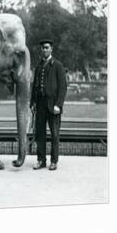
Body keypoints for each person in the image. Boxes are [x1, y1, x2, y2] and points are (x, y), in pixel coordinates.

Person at [30, 39, 68, 171]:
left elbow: (63, 87)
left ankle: (54, 161)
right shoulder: (39, 66)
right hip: (40, 105)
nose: (44, 50)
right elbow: (34, 86)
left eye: (46, 48)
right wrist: (33, 103)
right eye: (42, 48)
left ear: (51, 49)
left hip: (53, 106)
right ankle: (41, 160)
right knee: (40, 134)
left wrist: (59, 104)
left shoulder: (58, 65)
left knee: (55, 134)